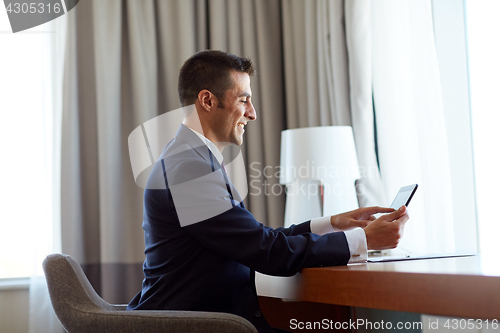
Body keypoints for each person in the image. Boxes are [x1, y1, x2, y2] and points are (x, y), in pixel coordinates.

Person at [127, 50, 409, 333]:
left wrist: (333, 224)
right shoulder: (189, 168)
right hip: (192, 325)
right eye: (243, 99)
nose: (252, 113)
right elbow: (267, 251)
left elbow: (253, 239)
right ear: (207, 100)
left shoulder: (189, 158)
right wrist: (363, 239)